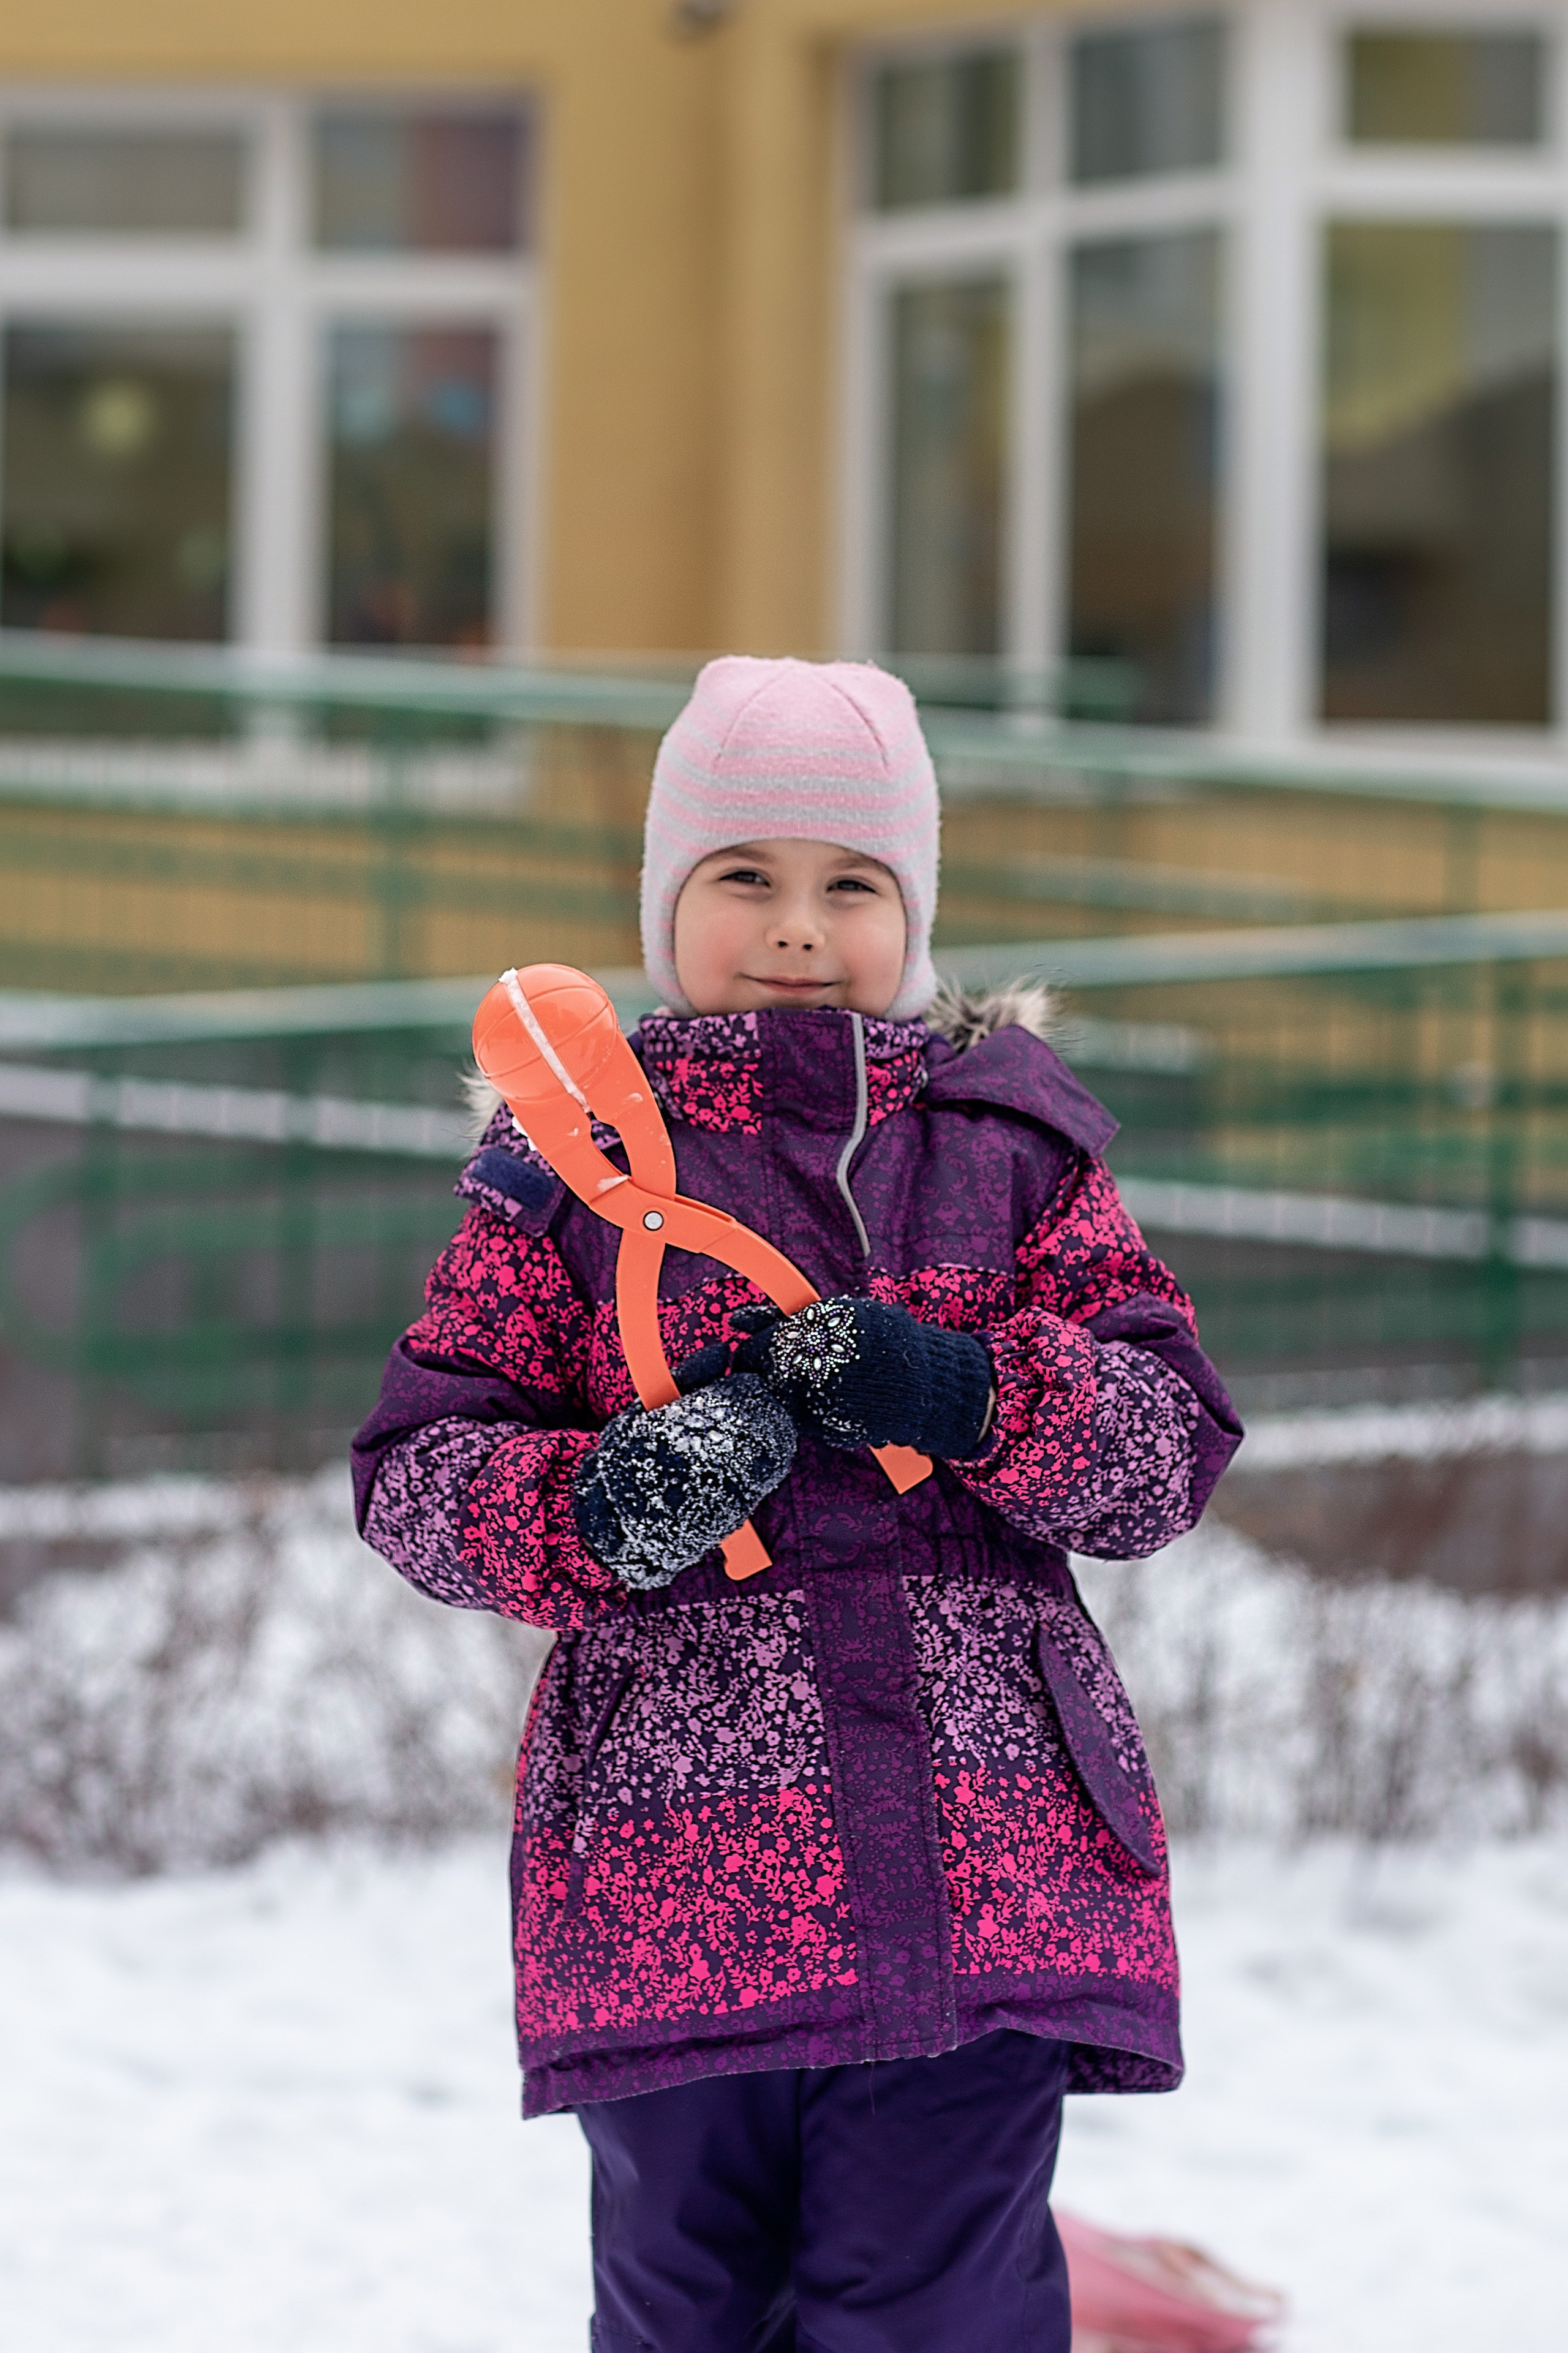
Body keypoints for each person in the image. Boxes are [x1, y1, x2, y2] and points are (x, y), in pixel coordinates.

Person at [352, 656, 1242, 2353]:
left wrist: (967, 1390)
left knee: (936, 2307)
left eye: (852, 886)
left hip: (982, 1871)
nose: (797, 926)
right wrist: (602, 1502)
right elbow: (417, 1468)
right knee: (695, 2312)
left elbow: (1167, 1440)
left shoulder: (1009, 1149)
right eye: (743, 876)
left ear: (911, 911)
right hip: (679, 1884)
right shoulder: (565, 1186)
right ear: (667, 896)